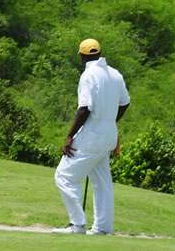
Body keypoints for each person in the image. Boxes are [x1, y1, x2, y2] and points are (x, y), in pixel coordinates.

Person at [52, 38, 130, 236]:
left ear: (82, 55)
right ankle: (103, 228)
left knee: (64, 176)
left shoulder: (88, 75)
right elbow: (125, 103)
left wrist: (69, 136)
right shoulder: (115, 74)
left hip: (92, 136)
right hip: (109, 135)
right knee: (102, 181)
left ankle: (77, 225)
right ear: (99, 53)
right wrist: (111, 120)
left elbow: (84, 108)